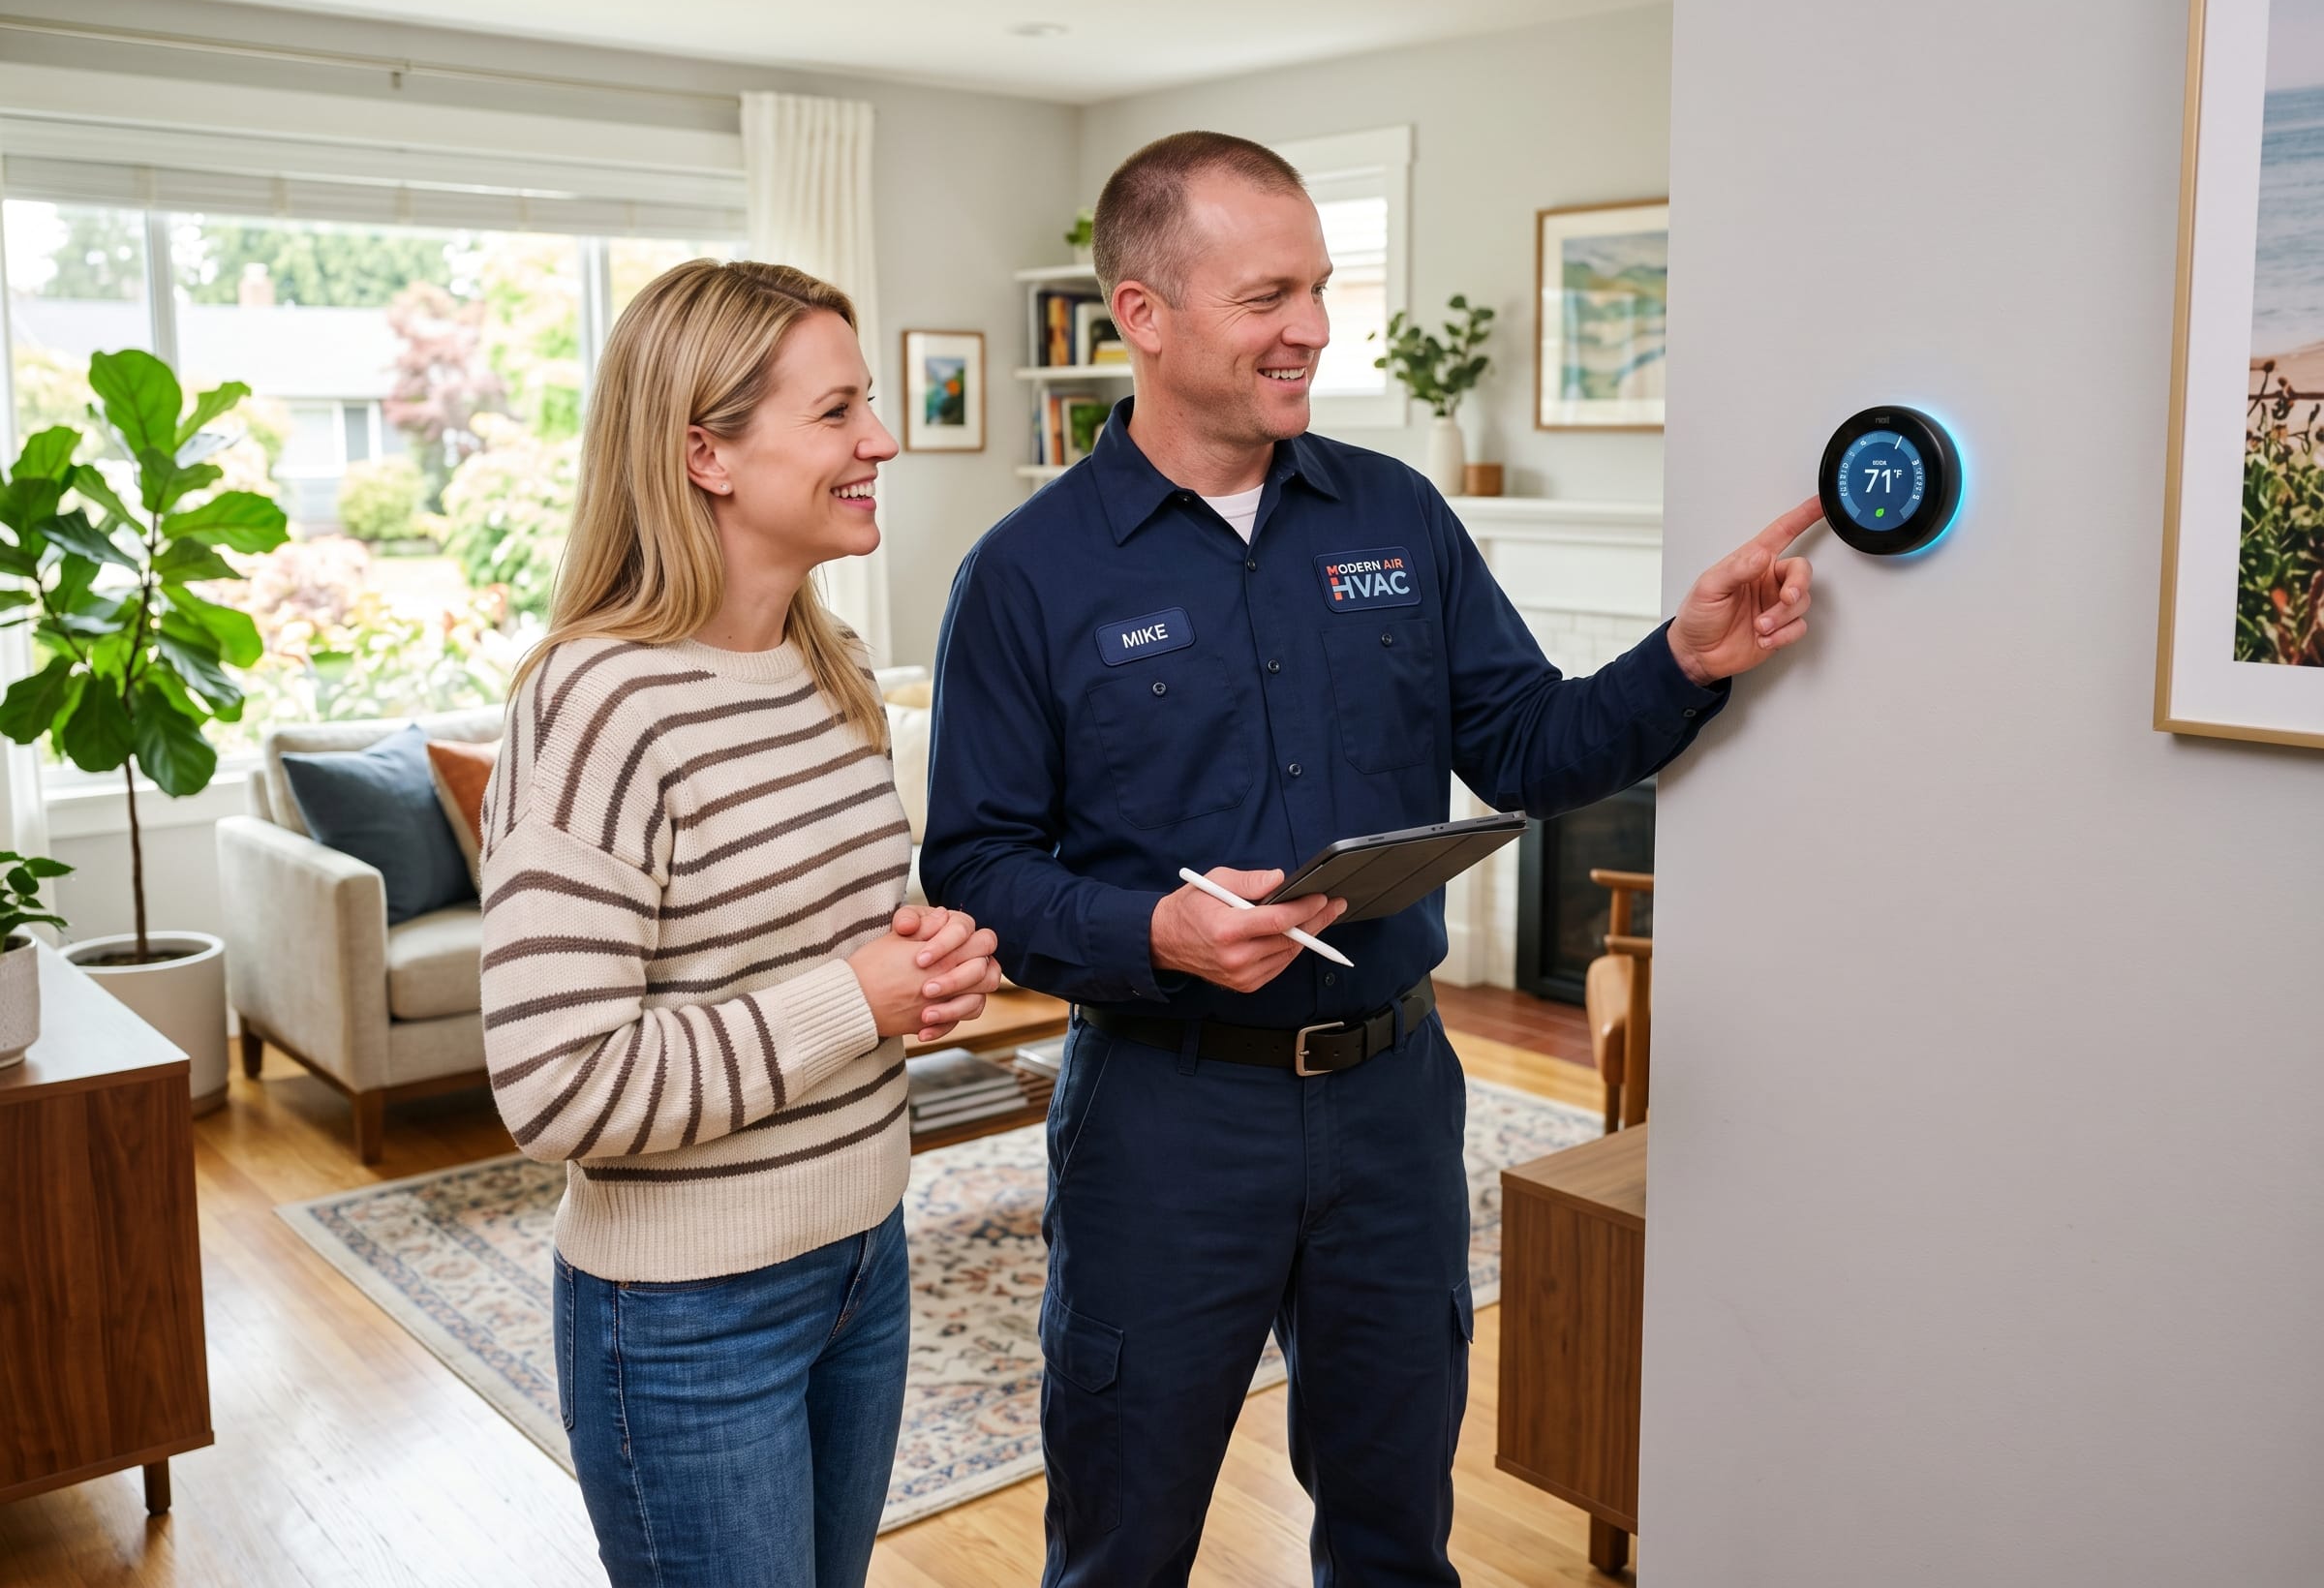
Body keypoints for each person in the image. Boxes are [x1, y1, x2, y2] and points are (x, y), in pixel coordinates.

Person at [920, 133, 1821, 1586]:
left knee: (1399, 1535)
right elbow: (975, 873)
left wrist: (1683, 657)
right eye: (1269, 294)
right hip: (1167, 1121)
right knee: (1121, 1547)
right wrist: (1159, 932)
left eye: (1322, 288)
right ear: (1142, 314)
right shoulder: (1026, 577)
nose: (1315, 330)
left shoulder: (1395, 515)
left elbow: (1527, 742)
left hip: (1395, 1109)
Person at [478, 260, 1002, 1588]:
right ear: (705, 451)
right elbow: (557, 1087)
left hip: (859, 1269)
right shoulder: (595, 703)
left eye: (868, 405)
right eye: (838, 413)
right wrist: (859, 997)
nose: (880, 439)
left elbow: (825, 956)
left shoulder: (825, 671)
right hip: (684, 1320)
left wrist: (925, 971)